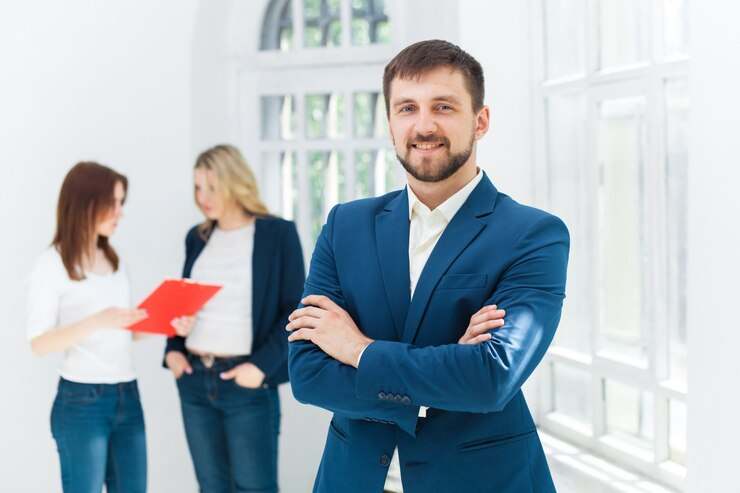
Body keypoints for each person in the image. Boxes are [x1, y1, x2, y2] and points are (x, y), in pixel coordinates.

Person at [286, 40, 569, 493]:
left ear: (480, 121)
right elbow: (307, 372)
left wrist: (356, 349)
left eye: (443, 106)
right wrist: (446, 370)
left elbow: (491, 378)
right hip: (353, 478)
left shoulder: (533, 235)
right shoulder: (346, 224)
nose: (424, 125)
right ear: (390, 123)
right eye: (406, 108)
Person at [26, 161, 192, 493]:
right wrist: (98, 319)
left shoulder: (114, 261)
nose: (120, 212)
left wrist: (170, 325)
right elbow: (39, 342)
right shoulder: (52, 265)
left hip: (126, 396)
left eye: (121, 203)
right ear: (87, 203)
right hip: (81, 402)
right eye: (113, 203)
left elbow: (125, 329)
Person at [164, 144, 305, 493]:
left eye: (212, 187)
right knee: (211, 486)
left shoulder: (277, 234)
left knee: (254, 487)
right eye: (198, 188)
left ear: (235, 182)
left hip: (246, 381)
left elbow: (294, 308)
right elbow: (184, 303)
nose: (204, 198)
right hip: (195, 379)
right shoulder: (197, 238)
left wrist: (259, 368)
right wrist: (173, 349)